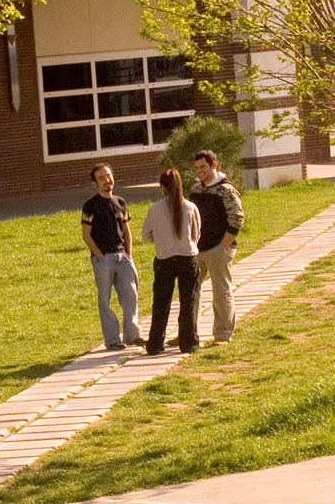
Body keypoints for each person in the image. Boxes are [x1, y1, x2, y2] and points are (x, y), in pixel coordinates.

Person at [81, 164, 144, 350]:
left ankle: (132, 336)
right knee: (105, 301)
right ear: (96, 183)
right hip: (103, 259)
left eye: (108, 176)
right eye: (101, 178)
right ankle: (113, 340)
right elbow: (86, 235)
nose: (107, 181)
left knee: (131, 297)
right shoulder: (90, 206)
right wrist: (100, 256)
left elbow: (126, 231)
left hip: (122, 256)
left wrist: (128, 255)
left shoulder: (120, 202)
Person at [140, 168, 202, 355]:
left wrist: (160, 239)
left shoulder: (155, 209)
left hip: (164, 259)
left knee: (161, 302)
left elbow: (145, 235)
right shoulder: (191, 207)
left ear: (162, 187)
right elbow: (196, 234)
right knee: (188, 300)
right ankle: (189, 342)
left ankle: (155, 344)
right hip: (187, 258)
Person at [187, 149, 244, 343]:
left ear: (213, 165)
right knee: (191, 291)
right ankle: (189, 332)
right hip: (196, 249)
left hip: (219, 249)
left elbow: (237, 219)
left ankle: (222, 334)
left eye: (202, 167)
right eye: (196, 168)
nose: (199, 171)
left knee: (221, 292)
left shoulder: (226, 190)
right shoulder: (195, 190)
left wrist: (222, 247)